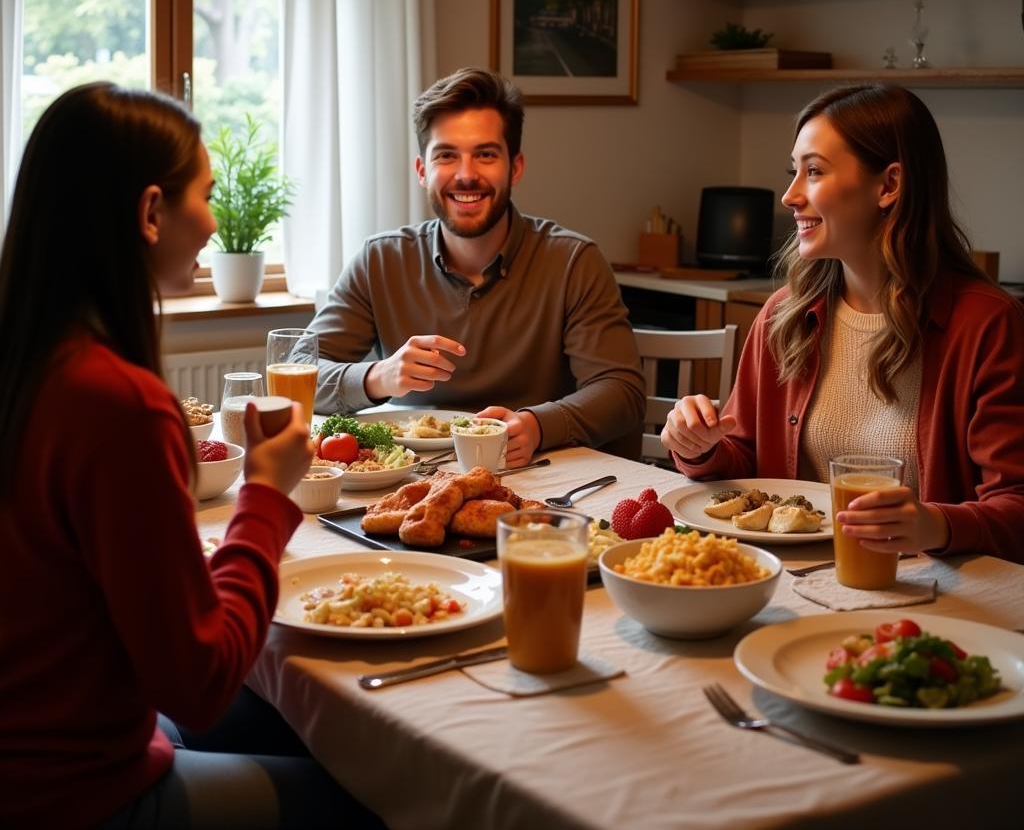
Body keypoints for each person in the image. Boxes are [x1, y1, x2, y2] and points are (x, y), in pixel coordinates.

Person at [0, 84, 379, 829]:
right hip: (76, 795)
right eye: (203, 195)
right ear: (149, 212)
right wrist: (266, 497)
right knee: (384, 800)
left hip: (34, 753)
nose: (211, 222)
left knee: (277, 721)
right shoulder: (116, 402)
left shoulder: (29, 362)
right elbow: (198, 682)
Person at [662, 84, 1024, 564]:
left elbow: (1017, 509)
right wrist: (699, 447)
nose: (790, 196)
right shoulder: (782, 315)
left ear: (889, 185)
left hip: (933, 594)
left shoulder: (987, 324)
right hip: (790, 582)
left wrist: (933, 523)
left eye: (814, 171)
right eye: (794, 172)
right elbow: (744, 459)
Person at [309, 67, 645, 466]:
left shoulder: (573, 261)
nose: (466, 175)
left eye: (485, 155)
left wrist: (538, 424)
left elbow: (621, 391)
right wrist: (377, 376)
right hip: (412, 479)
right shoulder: (380, 260)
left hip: (540, 477)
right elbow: (297, 370)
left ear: (515, 167)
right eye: (447, 155)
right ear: (422, 171)